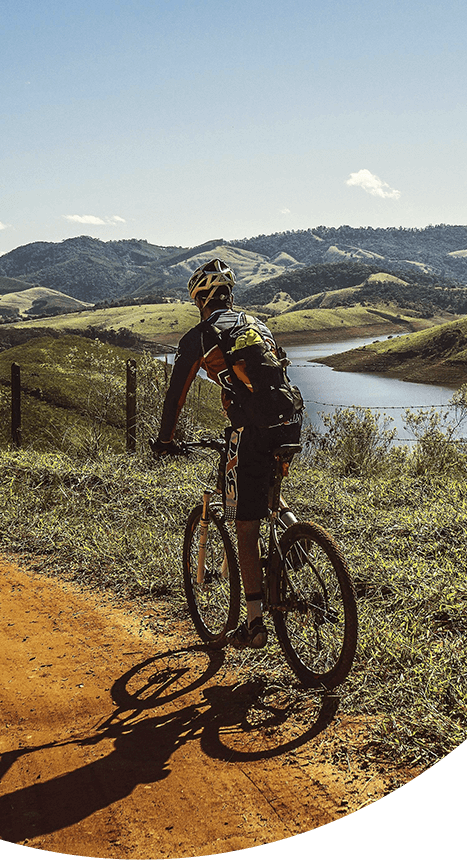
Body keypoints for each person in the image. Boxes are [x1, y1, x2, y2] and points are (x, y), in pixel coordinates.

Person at [152, 259, 302, 650]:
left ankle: (253, 623)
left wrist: (165, 440)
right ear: (229, 295)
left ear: (199, 300)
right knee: (268, 493)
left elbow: (176, 395)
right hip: (289, 421)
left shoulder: (201, 336)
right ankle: (299, 540)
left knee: (245, 524)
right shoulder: (257, 325)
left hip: (249, 430)